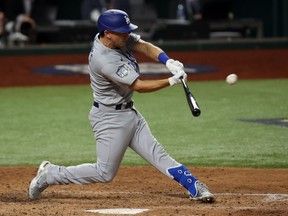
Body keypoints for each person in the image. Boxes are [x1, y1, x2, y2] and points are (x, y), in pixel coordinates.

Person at [28, 9, 215, 203]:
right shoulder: (104, 60)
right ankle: (49, 174)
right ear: (107, 33)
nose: (126, 34)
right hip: (109, 119)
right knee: (104, 173)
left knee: (157, 154)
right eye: (122, 31)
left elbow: (143, 46)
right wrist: (171, 81)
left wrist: (167, 61)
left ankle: (194, 185)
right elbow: (139, 86)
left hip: (129, 113)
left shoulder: (114, 37)